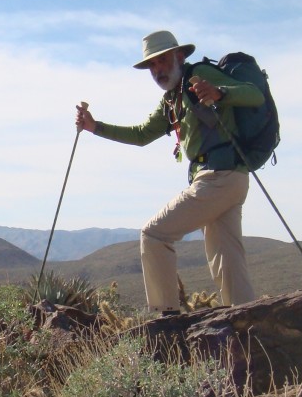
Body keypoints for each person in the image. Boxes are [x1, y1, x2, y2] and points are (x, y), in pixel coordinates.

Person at [75, 30, 263, 312]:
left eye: (161, 60)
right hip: (229, 178)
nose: (157, 69)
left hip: (218, 178)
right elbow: (142, 134)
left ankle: (167, 319)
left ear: (178, 56)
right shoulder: (171, 99)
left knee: (154, 234)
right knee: (227, 259)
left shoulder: (200, 75)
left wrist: (220, 92)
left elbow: (254, 96)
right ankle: (249, 323)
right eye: (152, 65)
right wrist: (95, 127)